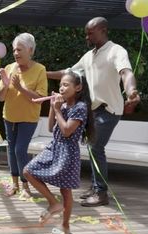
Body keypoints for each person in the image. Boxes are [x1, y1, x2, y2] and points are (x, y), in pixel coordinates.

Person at [46, 17, 141, 207]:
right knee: (92, 147)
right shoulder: (89, 56)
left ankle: (101, 194)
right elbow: (69, 72)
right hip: (95, 110)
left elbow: (126, 73)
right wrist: (44, 73)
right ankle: (97, 187)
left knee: (96, 147)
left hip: (110, 110)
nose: (87, 36)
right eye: (86, 33)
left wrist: (131, 92)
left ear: (103, 30)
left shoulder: (116, 51)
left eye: (91, 32)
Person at [24, 70, 94, 234]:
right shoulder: (62, 105)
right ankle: (53, 203)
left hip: (68, 152)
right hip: (54, 147)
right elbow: (50, 128)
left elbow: (67, 131)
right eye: (61, 85)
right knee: (28, 171)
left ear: (78, 87)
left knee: (66, 190)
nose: (61, 88)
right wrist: (52, 108)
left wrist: (57, 109)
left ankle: (65, 225)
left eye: (66, 85)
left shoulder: (80, 107)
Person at [0, 32, 48, 197]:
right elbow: (0, 97)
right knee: (11, 150)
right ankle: (15, 184)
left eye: (19, 50)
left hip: (28, 118)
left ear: (30, 50)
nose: (16, 53)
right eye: (14, 50)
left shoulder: (40, 70)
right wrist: (5, 85)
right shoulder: (10, 68)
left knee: (19, 150)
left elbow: (40, 99)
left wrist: (20, 89)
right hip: (9, 116)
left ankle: (26, 186)